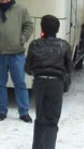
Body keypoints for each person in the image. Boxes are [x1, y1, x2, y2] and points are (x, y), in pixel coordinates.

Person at [25, 14, 72, 149]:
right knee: (52, 119)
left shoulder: (35, 44)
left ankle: (37, 146)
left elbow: (28, 68)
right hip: (56, 83)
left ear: (42, 28)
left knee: (41, 118)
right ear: (57, 29)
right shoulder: (64, 45)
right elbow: (69, 68)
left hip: (40, 82)